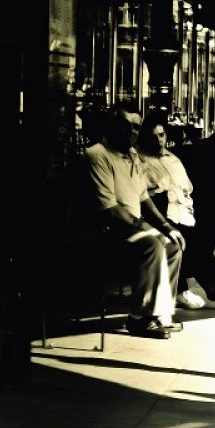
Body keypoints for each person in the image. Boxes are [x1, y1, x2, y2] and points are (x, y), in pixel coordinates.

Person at [83, 102, 186, 339]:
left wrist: (167, 227)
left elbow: (142, 198)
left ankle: (161, 314)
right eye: (125, 126)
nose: (131, 133)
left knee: (172, 245)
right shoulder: (97, 154)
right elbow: (110, 210)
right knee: (152, 244)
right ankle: (139, 318)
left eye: (136, 128)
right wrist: (149, 230)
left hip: (128, 227)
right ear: (112, 126)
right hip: (104, 231)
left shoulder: (132, 155)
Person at [137, 110, 215, 310]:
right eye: (154, 136)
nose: (159, 141)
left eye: (162, 135)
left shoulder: (172, 158)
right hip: (157, 210)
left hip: (183, 210)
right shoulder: (139, 159)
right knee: (188, 241)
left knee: (196, 240)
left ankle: (204, 289)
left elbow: (187, 186)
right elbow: (146, 191)